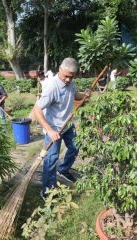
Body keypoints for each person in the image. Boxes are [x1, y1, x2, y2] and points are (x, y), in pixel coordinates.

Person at [33, 58, 90, 198]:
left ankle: (63, 169)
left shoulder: (71, 82)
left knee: (75, 147)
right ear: (59, 69)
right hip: (54, 129)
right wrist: (50, 130)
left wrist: (85, 95)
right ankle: (47, 191)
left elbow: (74, 95)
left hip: (68, 125)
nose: (68, 80)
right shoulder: (52, 87)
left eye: (71, 77)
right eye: (65, 76)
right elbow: (37, 109)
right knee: (51, 160)